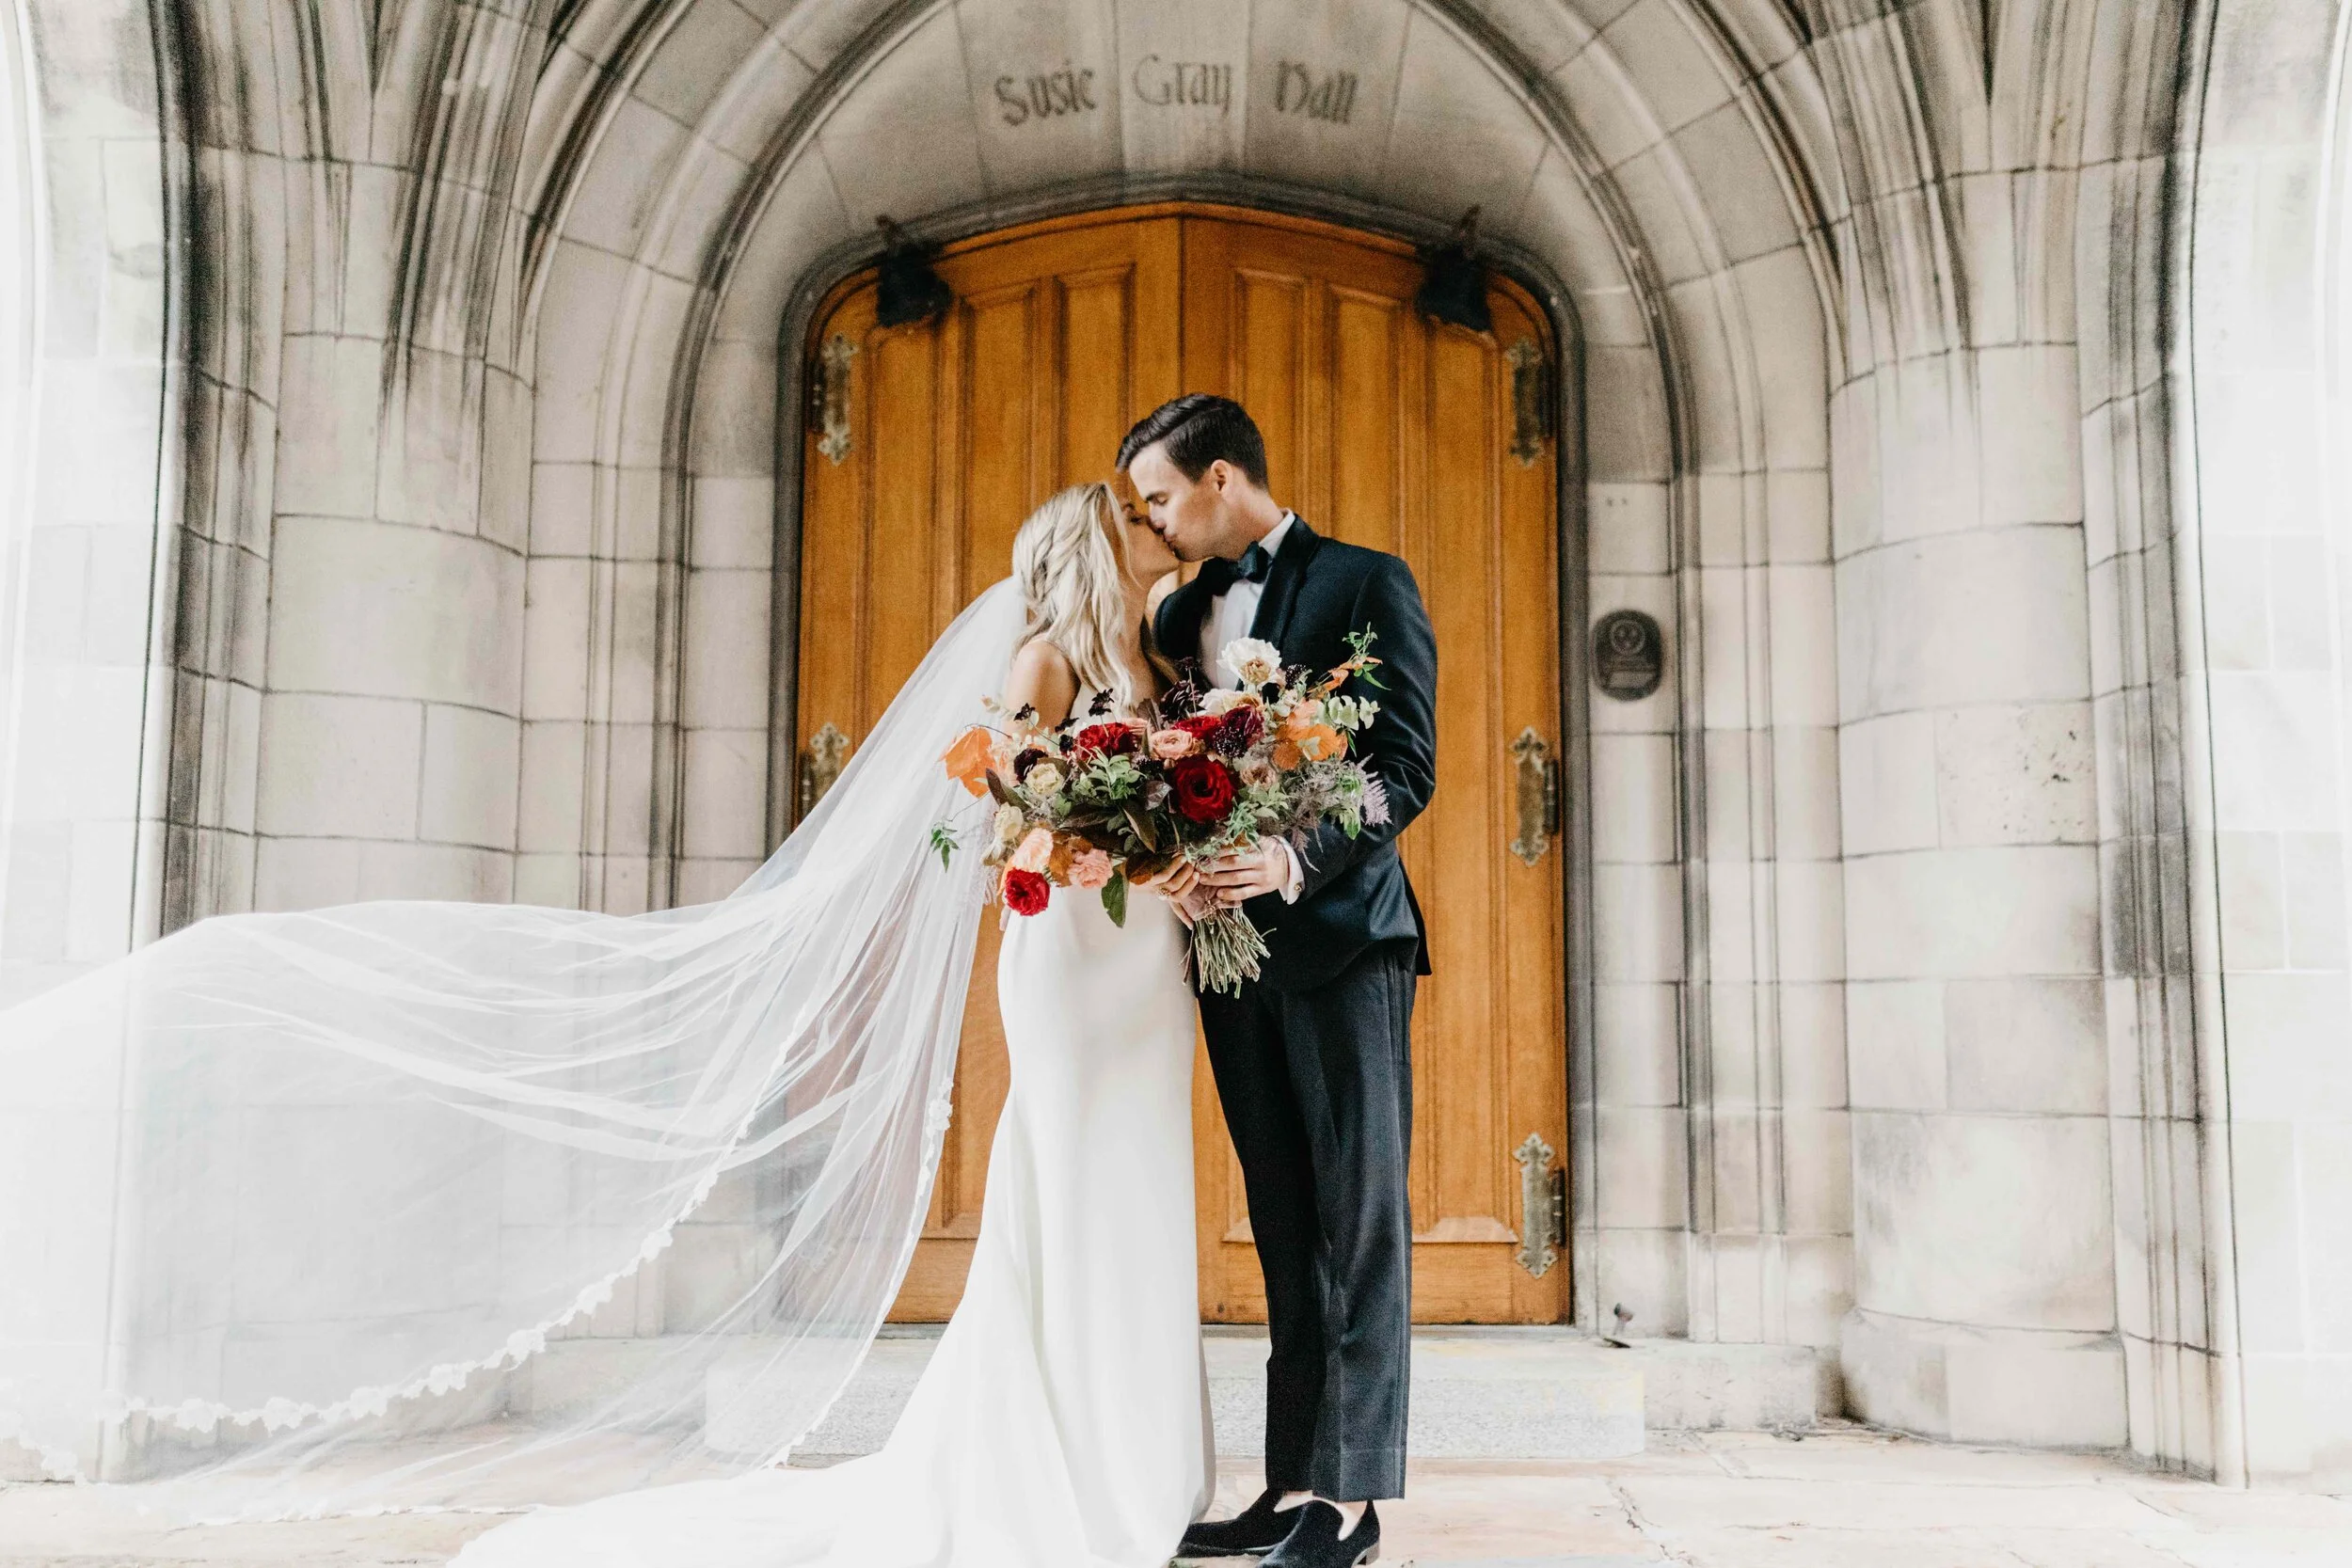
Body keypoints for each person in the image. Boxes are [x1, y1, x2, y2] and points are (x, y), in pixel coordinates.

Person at [443, 482, 1211, 1566]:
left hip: (1147, 969)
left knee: (1142, 1184)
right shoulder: (1045, 662)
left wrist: (1184, 848)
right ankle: (1059, 1468)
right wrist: (1116, 847)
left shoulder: (1169, 671)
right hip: (1072, 963)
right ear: (1095, 547)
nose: (1156, 525)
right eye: (1135, 517)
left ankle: (1141, 1459)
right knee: (1071, 1182)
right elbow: (1008, 820)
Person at [1128, 395, 1438, 1568]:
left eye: (1160, 496)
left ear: (1220, 477)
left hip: (1343, 940)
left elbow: (1402, 764)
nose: (1154, 521)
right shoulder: (1179, 614)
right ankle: (1294, 1478)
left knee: (1358, 1220)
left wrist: (1295, 856)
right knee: (1282, 1218)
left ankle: (1351, 1506)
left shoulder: (1365, 581)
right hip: (1228, 955)